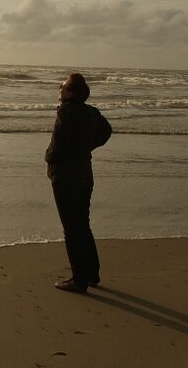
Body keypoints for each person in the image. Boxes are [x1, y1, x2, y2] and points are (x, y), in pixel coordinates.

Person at [45, 73, 111, 293]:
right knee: (82, 224)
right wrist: (87, 147)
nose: (59, 88)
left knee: (71, 229)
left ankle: (79, 280)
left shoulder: (65, 111)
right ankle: (92, 274)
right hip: (84, 174)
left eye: (62, 85)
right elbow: (106, 132)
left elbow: (57, 145)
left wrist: (49, 158)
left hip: (65, 176)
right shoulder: (91, 112)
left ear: (69, 92)